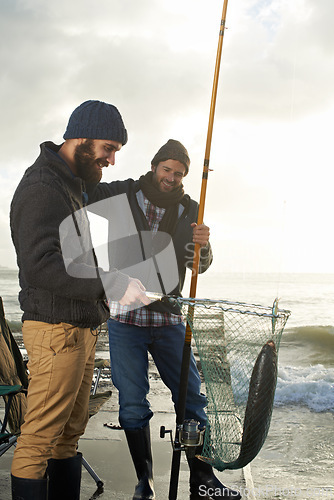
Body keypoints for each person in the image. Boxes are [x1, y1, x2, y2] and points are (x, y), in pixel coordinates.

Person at [9, 100, 150, 500]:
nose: (111, 159)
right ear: (81, 139)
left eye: (116, 152)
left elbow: (103, 193)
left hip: (80, 328)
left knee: (68, 436)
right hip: (56, 332)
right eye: (109, 148)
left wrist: (144, 184)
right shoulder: (41, 186)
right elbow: (42, 267)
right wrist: (113, 283)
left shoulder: (71, 183)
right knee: (38, 440)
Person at [87, 139, 241, 499]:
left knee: (191, 401)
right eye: (167, 169)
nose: (172, 177)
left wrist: (206, 245)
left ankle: (201, 479)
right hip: (125, 319)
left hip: (170, 319)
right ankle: (146, 482)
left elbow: (197, 265)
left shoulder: (191, 209)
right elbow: (80, 195)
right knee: (133, 403)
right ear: (155, 166)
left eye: (179, 173)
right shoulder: (121, 194)